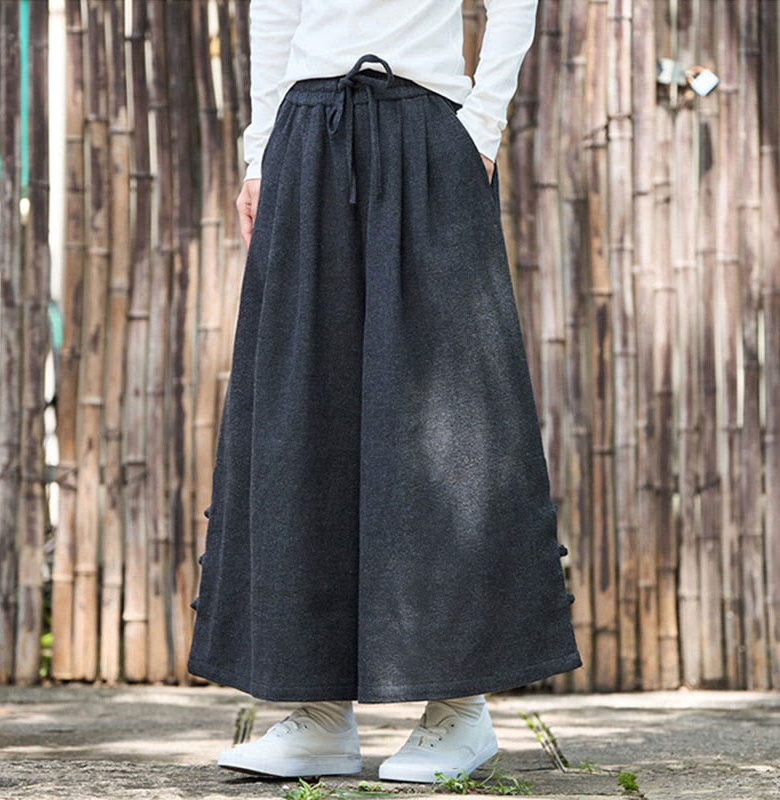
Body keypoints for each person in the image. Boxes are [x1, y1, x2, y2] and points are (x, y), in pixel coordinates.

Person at [187, 0, 582, 784]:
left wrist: (482, 127)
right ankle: (317, 713)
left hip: (424, 134)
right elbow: (275, 15)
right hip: (306, 136)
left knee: (447, 422)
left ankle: (459, 710)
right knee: (303, 418)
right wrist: (260, 153)